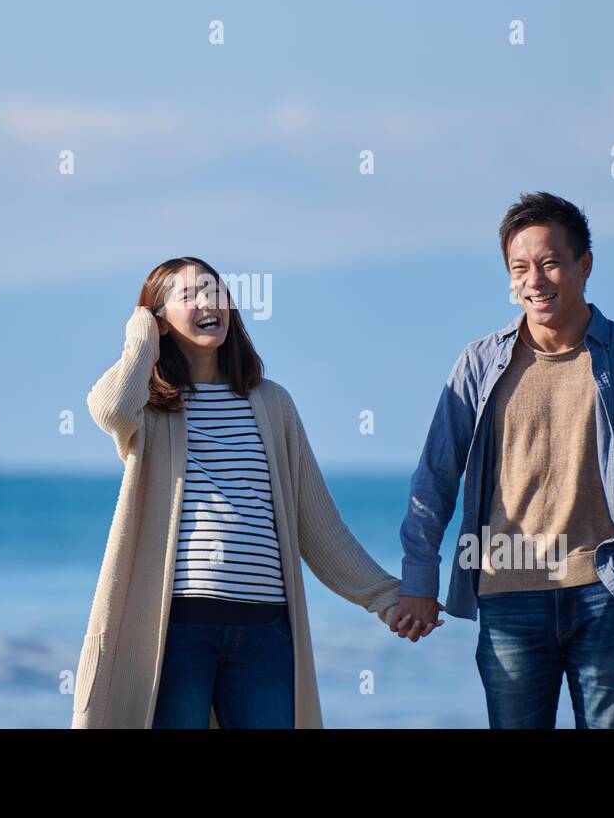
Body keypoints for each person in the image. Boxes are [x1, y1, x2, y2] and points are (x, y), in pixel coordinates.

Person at [393, 192, 614, 728]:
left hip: (603, 592)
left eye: (550, 263)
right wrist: (419, 576)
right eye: (520, 267)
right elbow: (436, 474)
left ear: (584, 265)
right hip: (508, 594)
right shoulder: (479, 364)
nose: (536, 280)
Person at [71, 256, 410, 728]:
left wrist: (386, 596)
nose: (209, 303)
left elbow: (318, 525)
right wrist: (140, 339)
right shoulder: (149, 409)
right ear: (158, 320)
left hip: (265, 630)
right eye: (188, 296)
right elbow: (108, 408)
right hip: (176, 627)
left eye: (216, 292)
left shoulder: (272, 403)